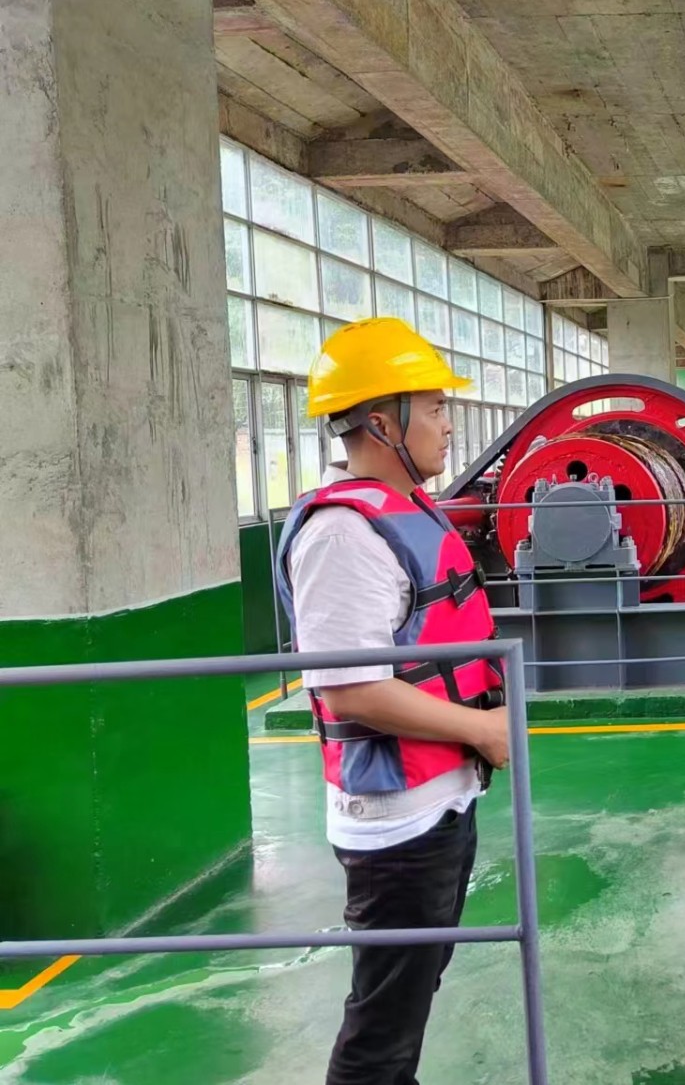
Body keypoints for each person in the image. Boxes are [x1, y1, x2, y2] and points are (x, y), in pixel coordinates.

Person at [274, 316, 512, 1085]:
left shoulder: (402, 508)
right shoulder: (343, 535)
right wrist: (482, 726)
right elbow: (350, 687)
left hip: (439, 801)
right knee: (382, 1031)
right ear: (382, 422)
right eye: (435, 407)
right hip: (397, 824)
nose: (449, 423)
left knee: (410, 998)